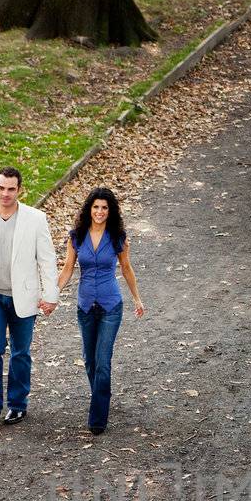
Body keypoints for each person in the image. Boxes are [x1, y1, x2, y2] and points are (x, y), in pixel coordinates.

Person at [0, 167, 59, 427]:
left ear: (20, 190)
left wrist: (51, 295)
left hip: (23, 296)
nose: (6, 193)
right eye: (1, 188)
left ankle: (17, 405)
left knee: (20, 352)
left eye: (11, 189)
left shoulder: (35, 219)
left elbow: (47, 259)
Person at [58, 186, 144, 435]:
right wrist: (51, 296)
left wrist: (137, 299)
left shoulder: (118, 237)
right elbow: (67, 269)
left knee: (103, 362)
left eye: (104, 208)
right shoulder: (77, 236)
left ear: (110, 211)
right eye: (96, 207)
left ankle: (97, 419)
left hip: (110, 306)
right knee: (90, 360)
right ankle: (101, 394)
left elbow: (126, 268)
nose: (99, 211)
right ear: (89, 209)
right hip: (85, 306)